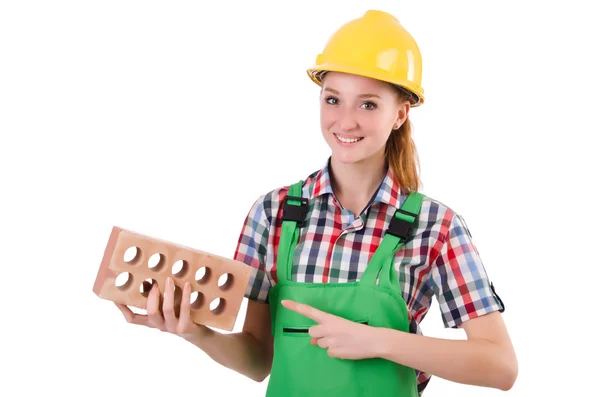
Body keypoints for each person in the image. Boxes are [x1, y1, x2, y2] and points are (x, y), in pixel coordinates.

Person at [115, 9, 518, 396]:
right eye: (332, 99)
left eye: (368, 103)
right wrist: (194, 332)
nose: (345, 121)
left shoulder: (436, 226)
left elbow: (500, 366)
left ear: (400, 114)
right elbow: (258, 359)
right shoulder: (273, 213)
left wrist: (378, 341)